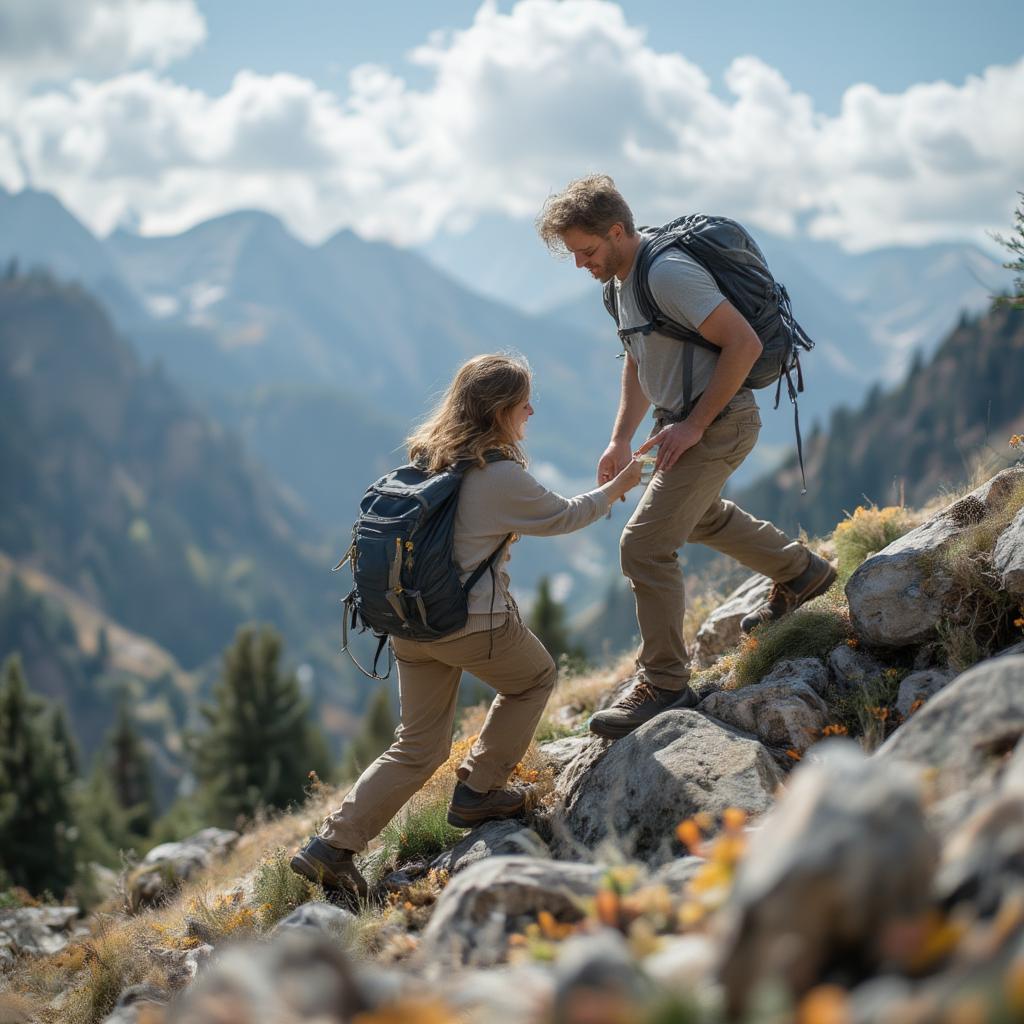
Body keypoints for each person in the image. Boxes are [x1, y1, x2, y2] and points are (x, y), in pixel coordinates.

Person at [290, 353, 644, 896]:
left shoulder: (425, 461)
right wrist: (621, 485)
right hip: (471, 624)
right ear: (500, 411)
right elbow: (566, 515)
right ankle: (479, 790)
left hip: (410, 627)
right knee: (533, 678)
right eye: (523, 401)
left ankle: (332, 847)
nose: (531, 409)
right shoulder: (497, 474)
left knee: (417, 746)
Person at [536, 175, 837, 741]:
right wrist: (620, 436)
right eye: (575, 255)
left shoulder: (666, 273)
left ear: (619, 231)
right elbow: (636, 359)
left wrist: (695, 424)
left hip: (718, 421)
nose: (581, 264)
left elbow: (743, 343)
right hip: (682, 422)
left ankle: (666, 683)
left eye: (587, 251)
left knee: (644, 546)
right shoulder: (618, 282)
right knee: (698, 515)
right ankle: (803, 572)